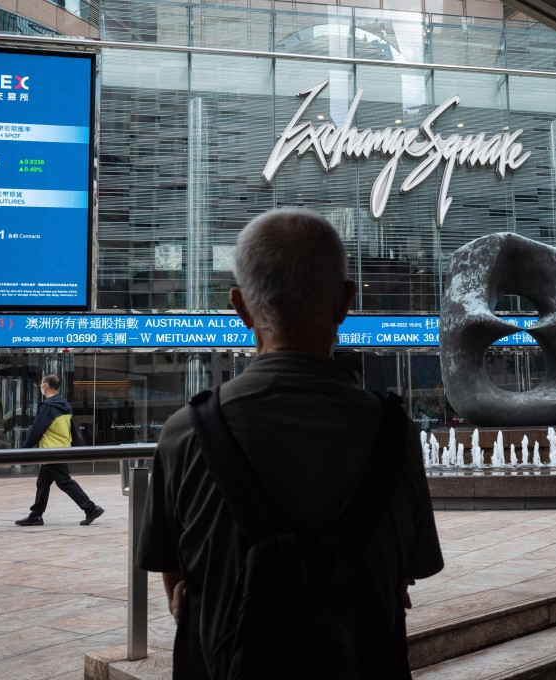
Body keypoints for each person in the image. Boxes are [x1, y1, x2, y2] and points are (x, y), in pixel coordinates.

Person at [137, 207, 443, 678]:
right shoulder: (395, 434)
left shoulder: (186, 433)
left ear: (240, 307)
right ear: (344, 301)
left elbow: (175, 581)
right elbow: (407, 571)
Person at [14, 374, 104, 526]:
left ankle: (91, 508)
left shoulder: (48, 406)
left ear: (46, 385)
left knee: (64, 481)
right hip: (61, 448)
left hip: (52, 450)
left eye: (41, 383)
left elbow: (36, 430)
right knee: (43, 482)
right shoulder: (64, 404)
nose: (40, 386)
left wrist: (22, 451)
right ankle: (36, 515)